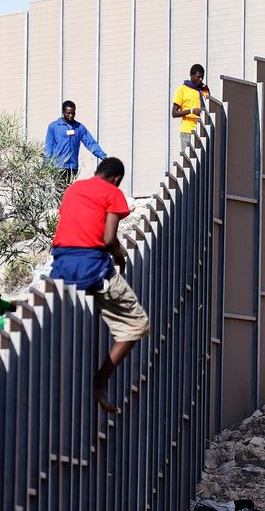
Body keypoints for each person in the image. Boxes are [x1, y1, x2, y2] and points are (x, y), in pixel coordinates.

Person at [49, 157, 149, 414]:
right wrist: (120, 256)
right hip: (91, 267)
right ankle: (100, 380)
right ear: (116, 178)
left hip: (61, 266)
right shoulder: (113, 193)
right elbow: (108, 238)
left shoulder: (73, 189)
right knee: (137, 324)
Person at [44, 100, 108, 188]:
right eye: (68, 113)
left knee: (68, 190)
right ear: (63, 112)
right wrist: (45, 166)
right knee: (60, 191)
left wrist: (103, 156)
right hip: (58, 166)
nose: (71, 116)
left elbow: (90, 142)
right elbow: (48, 147)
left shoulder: (79, 128)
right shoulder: (54, 126)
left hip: (72, 167)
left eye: (73, 113)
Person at [172, 63, 211, 154]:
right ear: (191, 76)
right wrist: (191, 110)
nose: (200, 79)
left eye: (202, 77)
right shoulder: (182, 89)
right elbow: (174, 113)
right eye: (198, 77)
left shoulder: (204, 90)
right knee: (189, 162)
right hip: (188, 131)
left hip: (203, 131)